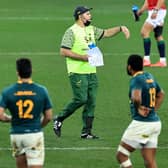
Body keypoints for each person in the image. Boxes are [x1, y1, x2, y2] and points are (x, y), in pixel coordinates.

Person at [53, 6, 130, 139]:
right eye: (88, 14)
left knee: (91, 101)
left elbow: (105, 33)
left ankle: (86, 132)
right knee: (81, 99)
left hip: (91, 71)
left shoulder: (91, 29)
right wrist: (82, 57)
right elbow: (63, 51)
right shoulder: (71, 31)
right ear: (80, 16)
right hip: (77, 71)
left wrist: (120, 28)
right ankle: (59, 119)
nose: (90, 16)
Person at [0, 58, 53, 168]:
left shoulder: (8, 92)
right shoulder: (41, 90)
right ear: (31, 71)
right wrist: (39, 125)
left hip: (16, 135)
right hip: (34, 133)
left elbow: (0, 115)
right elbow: (48, 117)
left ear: (17, 72)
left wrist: (11, 118)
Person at [116, 54, 164, 168]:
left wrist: (139, 108)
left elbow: (136, 97)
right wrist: (153, 110)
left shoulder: (136, 79)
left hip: (142, 124)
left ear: (129, 67)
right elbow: (161, 94)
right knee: (149, 161)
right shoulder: (149, 76)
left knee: (121, 155)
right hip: (155, 123)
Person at [136, 0, 167, 67]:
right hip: (156, 11)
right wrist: (140, 11)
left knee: (144, 32)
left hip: (157, 11)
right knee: (158, 35)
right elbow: (148, 2)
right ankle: (162, 61)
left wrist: (156, 11)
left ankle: (146, 60)